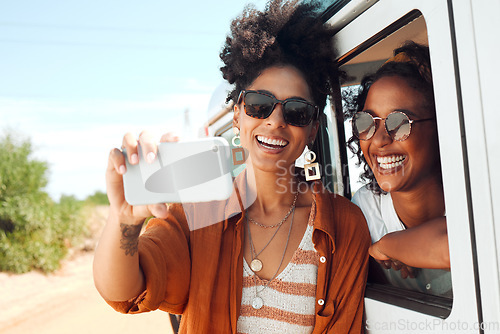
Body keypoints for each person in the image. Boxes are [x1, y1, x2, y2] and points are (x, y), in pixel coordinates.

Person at [93, 1, 370, 333]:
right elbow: (124, 293)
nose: (275, 121)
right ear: (237, 114)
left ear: (312, 129)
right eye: (259, 105)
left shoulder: (345, 225)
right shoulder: (197, 212)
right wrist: (123, 221)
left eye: (296, 111)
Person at [346, 41, 451, 297]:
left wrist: (389, 245)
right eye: (366, 122)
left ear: (441, 127)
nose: (380, 140)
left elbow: (468, 244)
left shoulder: (480, 189)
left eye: (399, 123)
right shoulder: (364, 210)